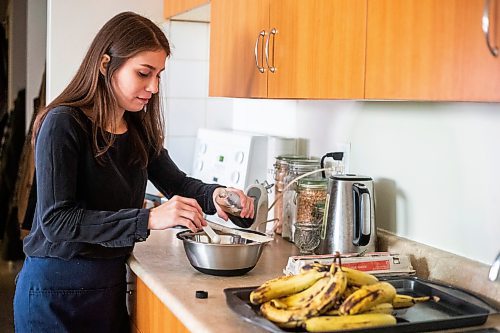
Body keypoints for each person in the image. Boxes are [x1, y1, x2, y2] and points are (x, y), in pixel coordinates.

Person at [13, 11, 254, 332]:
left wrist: (217, 195)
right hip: (54, 294)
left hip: (107, 289)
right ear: (104, 65)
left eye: (159, 75)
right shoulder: (63, 123)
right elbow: (58, 222)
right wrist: (149, 219)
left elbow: (178, 183)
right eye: (144, 73)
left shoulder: (138, 129)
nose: (153, 87)